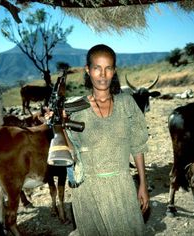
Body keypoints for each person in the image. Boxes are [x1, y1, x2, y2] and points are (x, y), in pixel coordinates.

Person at [47, 44, 150, 235]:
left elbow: (138, 146)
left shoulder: (127, 103)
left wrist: (143, 184)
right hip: (88, 193)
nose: (102, 75)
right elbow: (72, 156)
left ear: (114, 71)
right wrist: (58, 125)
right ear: (88, 70)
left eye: (108, 68)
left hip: (122, 188)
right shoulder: (73, 108)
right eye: (97, 68)